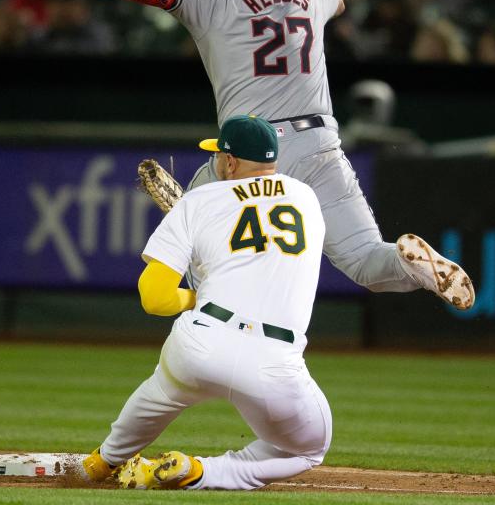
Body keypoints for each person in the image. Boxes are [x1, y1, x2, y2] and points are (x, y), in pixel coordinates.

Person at [29, 0, 474, 311]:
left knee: (200, 254)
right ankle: (408, 263)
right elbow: (338, 2)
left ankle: (197, 239)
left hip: (254, 151)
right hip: (321, 143)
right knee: (365, 262)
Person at [79, 116, 329, 490]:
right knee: (308, 449)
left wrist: (197, 295)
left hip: (201, 340)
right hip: (274, 362)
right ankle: (198, 472)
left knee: (159, 393)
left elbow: (155, 298)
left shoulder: (198, 202)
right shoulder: (306, 197)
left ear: (229, 161)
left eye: (218, 155)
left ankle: (103, 461)